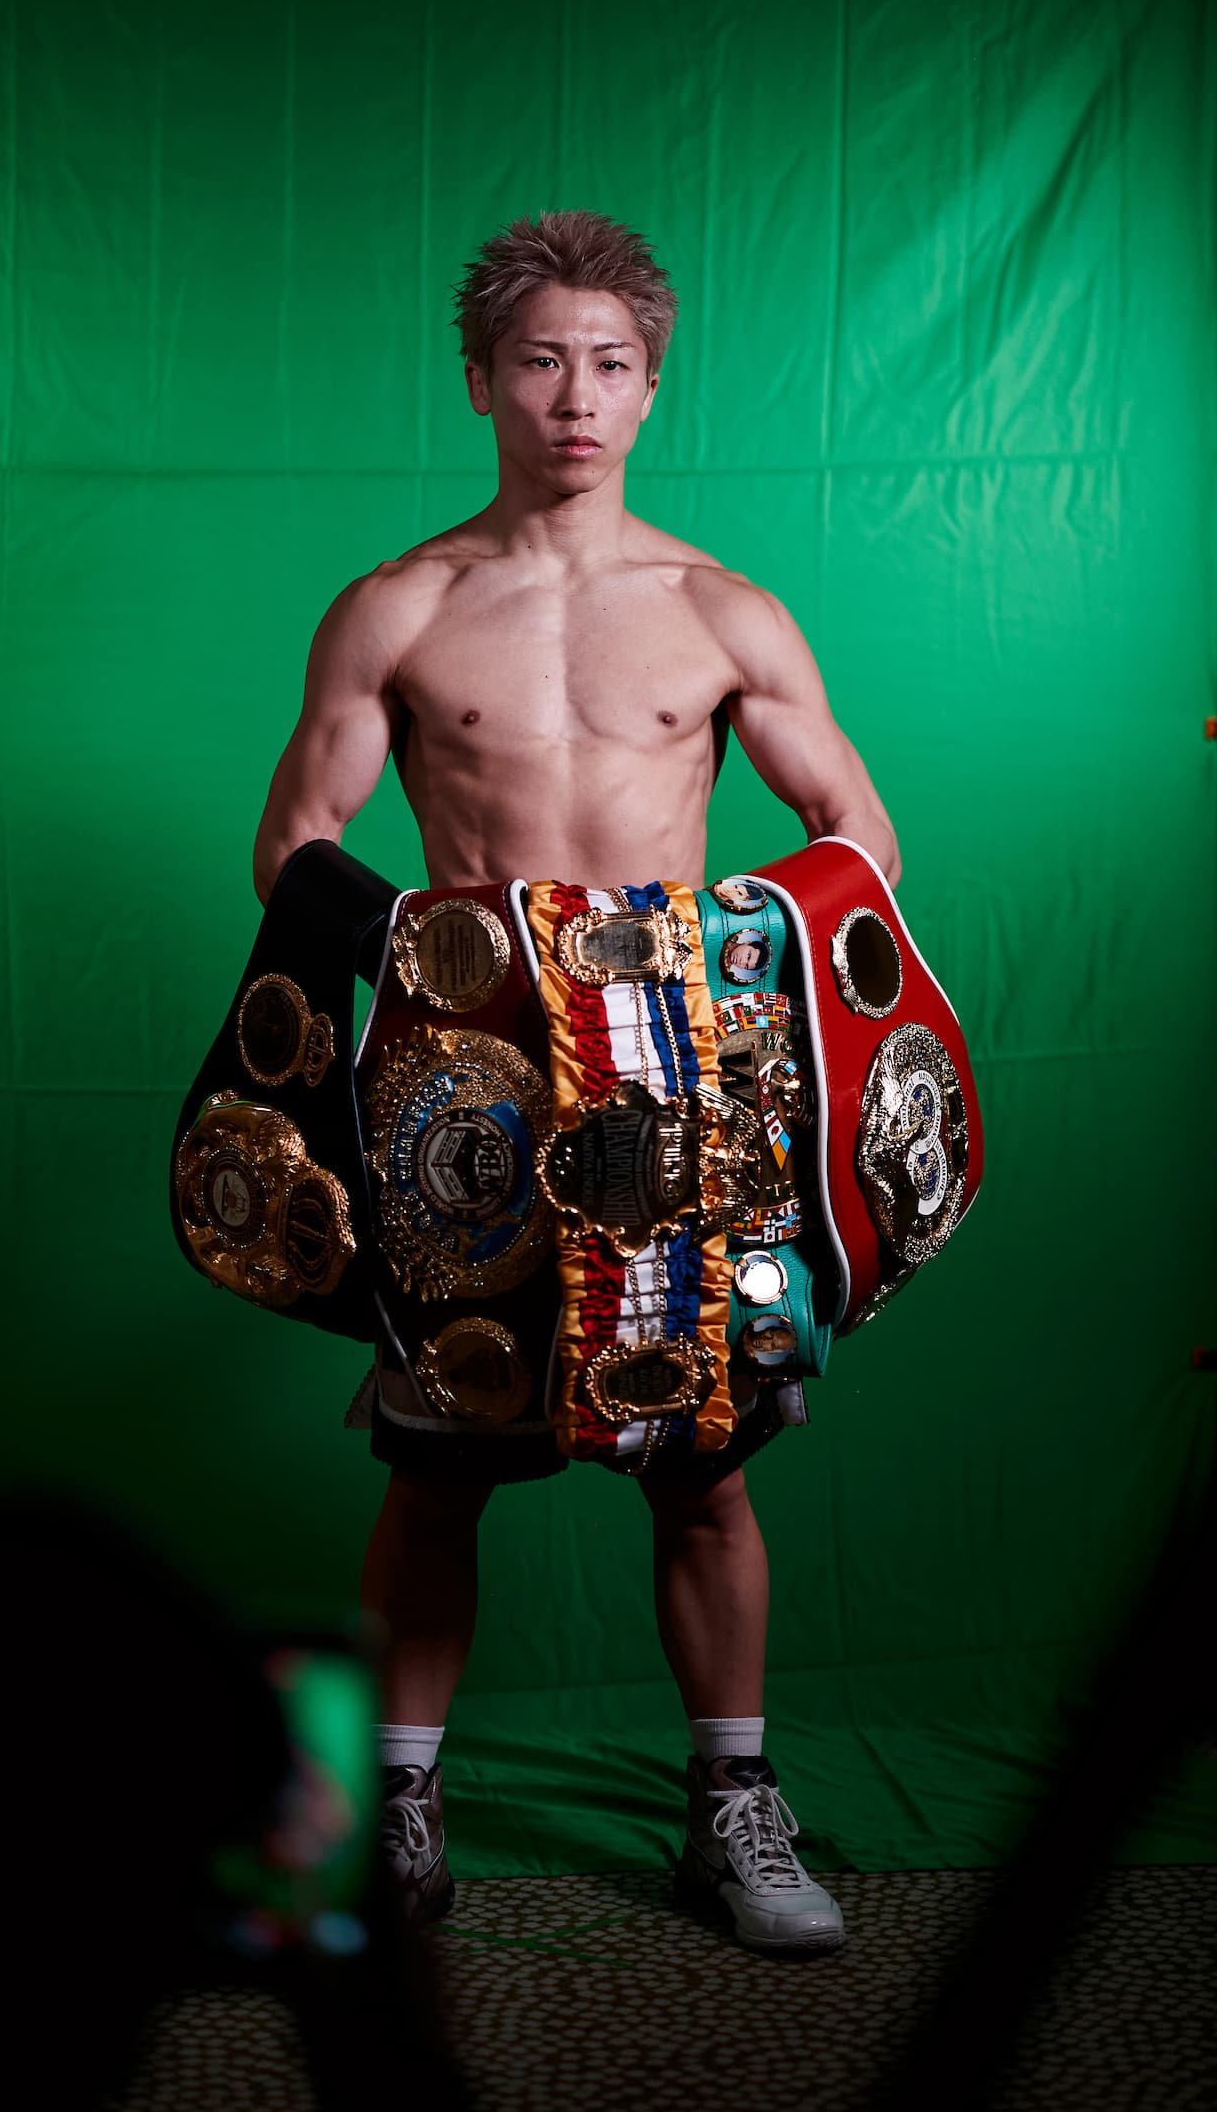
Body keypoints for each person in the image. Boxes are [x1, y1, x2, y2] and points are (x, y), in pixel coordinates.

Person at [252, 209, 899, 1957]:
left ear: (652, 385)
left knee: (706, 1473)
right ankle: (394, 1817)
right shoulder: (401, 605)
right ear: (481, 382)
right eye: (540, 362)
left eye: (610, 365)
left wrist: (735, 956)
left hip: (677, 1093)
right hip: (465, 1104)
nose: (576, 398)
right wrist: (416, 968)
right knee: (436, 1475)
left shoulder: (719, 608)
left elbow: (859, 841)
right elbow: (299, 844)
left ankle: (736, 1811)